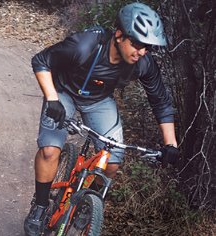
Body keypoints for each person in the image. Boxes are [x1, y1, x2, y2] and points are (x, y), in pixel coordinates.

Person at [24, 2, 180, 235]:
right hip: (63, 92)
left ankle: (88, 205)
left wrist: (171, 144)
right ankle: (40, 205)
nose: (141, 52)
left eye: (147, 47)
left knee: (112, 164)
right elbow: (41, 60)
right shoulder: (85, 44)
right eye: (137, 43)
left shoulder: (143, 63)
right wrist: (52, 99)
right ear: (119, 35)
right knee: (50, 150)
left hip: (98, 101)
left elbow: (161, 102)